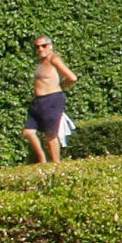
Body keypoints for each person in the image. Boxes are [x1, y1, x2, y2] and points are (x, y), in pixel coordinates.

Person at [25, 35, 75, 166]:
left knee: (50, 135)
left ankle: (55, 164)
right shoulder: (41, 62)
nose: (40, 49)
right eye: (37, 47)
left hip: (52, 99)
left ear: (50, 46)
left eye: (43, 46)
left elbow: (72, 77)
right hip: (38, 101)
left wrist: (59, 87)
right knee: (28, 132)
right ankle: (43, 160)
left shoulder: (54, 59)